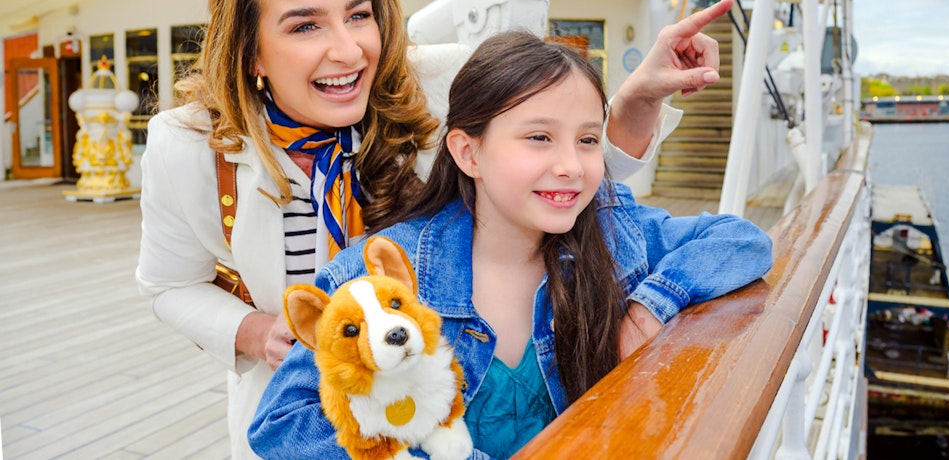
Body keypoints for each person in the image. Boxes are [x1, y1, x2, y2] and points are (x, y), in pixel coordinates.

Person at [135, 0, 735, 459]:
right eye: (304, 27)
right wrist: (257, 332)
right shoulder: (186, 146)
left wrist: (637, 99)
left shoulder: (435, 84)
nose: (347, 50)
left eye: (359, 15)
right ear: (251, 53)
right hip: (318, 408)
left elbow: (552, 166)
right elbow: (168, 286)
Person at [249, 31, 773, 459]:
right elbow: (283, 421)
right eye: (539, 137)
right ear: (468, 153)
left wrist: (649, 308)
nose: (571, 165)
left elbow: (740, 240)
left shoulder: (611, 230)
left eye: (588, 139)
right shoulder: (386, 275)